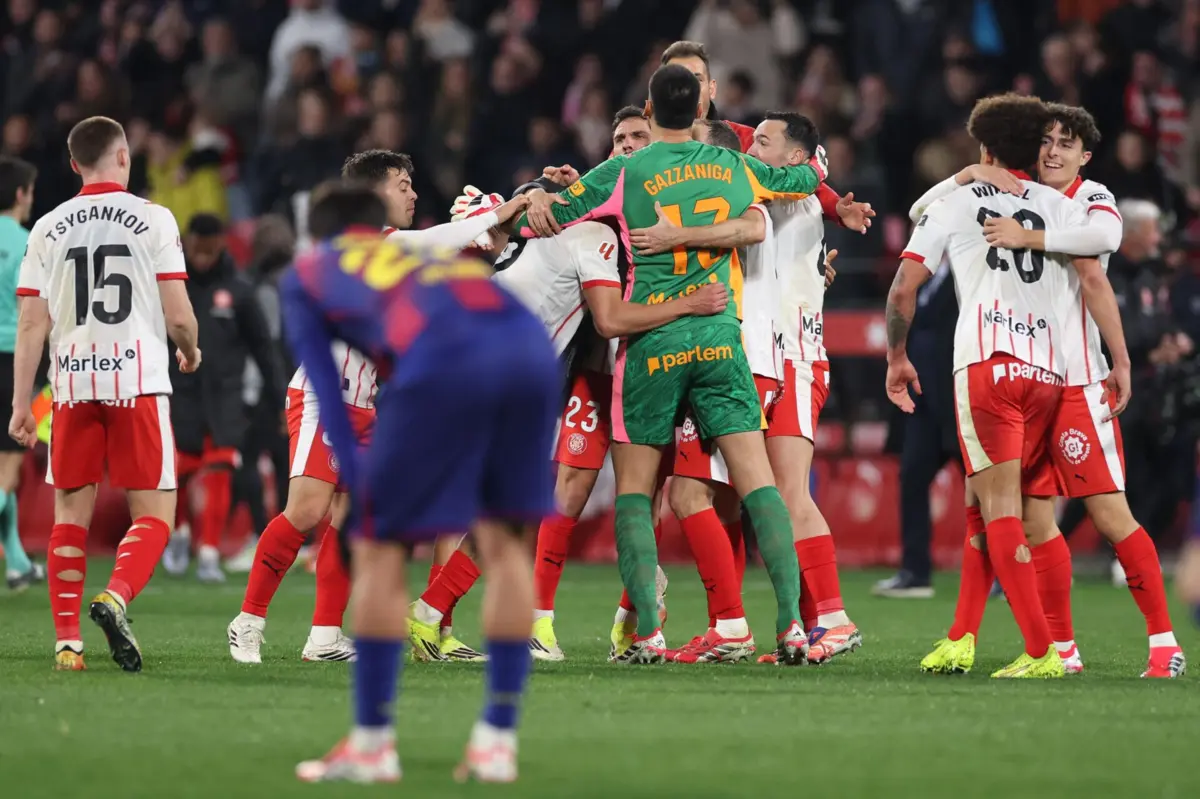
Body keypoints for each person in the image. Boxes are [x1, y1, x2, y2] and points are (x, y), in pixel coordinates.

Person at [519, 64, 827, 664]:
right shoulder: (737, 165)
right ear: (700, 111)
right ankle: (792, 626)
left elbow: (554, 215)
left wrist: (534, 197)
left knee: (635, 490)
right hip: (720, 337)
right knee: (758, 483)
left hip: (654, 340)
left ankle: (650, 634)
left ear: (652, 112)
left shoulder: (625, 168)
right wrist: (819, 168)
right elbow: (802, 178)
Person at [287, 182, 553, 784]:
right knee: (505, 545)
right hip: (526, 349)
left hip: (441, 360)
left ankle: (372, 744)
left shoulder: (310, 274)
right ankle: (496, 743)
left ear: (319, 235)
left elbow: (326, 389)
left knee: (381, 551)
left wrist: (357, 492)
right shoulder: (415, 254)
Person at [228, 149, 529, 665]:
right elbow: (432, 244)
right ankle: (248, 620)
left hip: (364, 404)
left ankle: (323, 637)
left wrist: (489, 246)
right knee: (305, 510)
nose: (413, 193)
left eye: (413, 184)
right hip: (325, 397)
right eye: (403, 184)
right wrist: (496, 213)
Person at [884, 94, 1131, 679]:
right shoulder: (1057, 202)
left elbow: (902, 287)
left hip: (989, 364)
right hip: (1048, 377)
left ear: (984, 147)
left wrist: (896, 355)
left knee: (998, 509)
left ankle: (1044, 649)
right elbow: (1097, 256)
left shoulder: (960, 199)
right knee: (983, 503)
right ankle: (962, 636)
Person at [973, 105, 1185, 678]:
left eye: (1067, 144)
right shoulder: (1023, 193)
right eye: (1047, 141)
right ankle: (1063, 650)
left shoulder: (1092, 199)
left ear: (1084, 157)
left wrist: (1119, 361)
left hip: (1076, 383)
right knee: (1037, 519)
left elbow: (1099, 254)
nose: (1053, 152)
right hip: (1027, 380)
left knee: (1110, 514)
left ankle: (1165, 644)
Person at [10, 116, 201, 672]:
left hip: (72, 385)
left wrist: (23, 404)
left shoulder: (47, 226)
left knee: (70, 514)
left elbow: (30, 324)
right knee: (156, 515)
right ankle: (115, 595)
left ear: (73, 164)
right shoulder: (154, 218)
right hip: (137, 381)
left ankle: (68, 643)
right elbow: (178, 314)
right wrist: (189, 349)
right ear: (124, 158)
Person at [163, 213, 283, 584]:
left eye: (208, 249)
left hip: (224, 396)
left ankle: (210, 551)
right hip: (178, 391)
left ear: (220, 246)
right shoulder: (170, 286)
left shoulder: (239, 290)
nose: (202, 257)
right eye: (196, 248)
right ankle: (180, 532)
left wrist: (280, 399)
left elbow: (264, 348)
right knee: (179, 469)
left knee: (219, 467)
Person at [0, 156, 45, 591]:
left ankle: (16, 562)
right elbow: (35, 313)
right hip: (13, 360)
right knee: (8, 467)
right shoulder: (28, 243)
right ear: (20, 194)